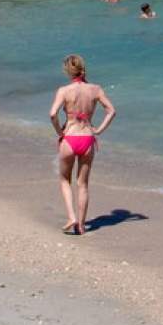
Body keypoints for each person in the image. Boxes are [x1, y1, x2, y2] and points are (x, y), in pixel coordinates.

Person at [48, 55, 116, 236]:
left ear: (68, 71)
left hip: (69, 137)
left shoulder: (64, 90)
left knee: (64, 180)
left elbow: (53, 114)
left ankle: (71, 217)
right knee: (83, 184)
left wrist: (59, 132)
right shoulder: (95, 89)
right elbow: (111, 110)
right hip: (87, 138)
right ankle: (82, 225)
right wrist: (99, 130)